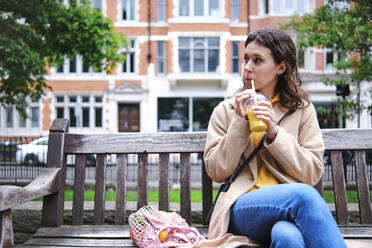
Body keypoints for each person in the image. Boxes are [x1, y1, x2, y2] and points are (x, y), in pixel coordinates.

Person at [202, 29, 346, 248]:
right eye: (246, 59)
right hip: (242, 207)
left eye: (257, 60)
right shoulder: (227, 110)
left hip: (289, 208)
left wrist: (275, 134)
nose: (248, 67)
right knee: (304, 196)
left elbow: (312, 172)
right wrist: (240, 123)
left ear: (281, 67)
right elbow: (216, 171)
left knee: (288, 236)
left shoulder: (301, 110)